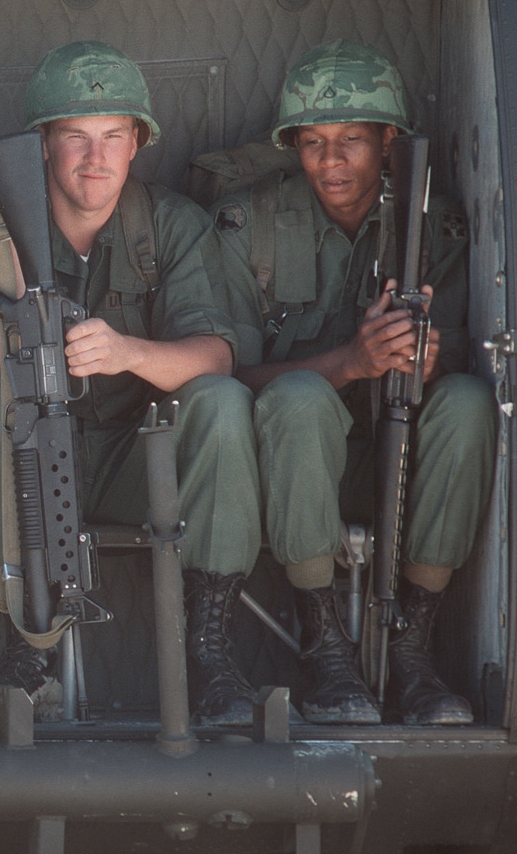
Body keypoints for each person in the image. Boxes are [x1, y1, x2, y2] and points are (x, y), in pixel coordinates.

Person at [0, 41, 260, 726]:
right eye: (75, 138)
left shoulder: (167, 223)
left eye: (113, 137)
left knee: (223, 404)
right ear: (41, 145)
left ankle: (211, 651)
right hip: (33, 453)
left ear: (137, 145)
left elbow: (216, 357)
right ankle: (26, 651)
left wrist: (125, 351)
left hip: (137, 461)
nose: (95, 159)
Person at [210, 40, 497, 725]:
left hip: (400, 457)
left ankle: (412, 650)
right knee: (301, 396)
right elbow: (223, 374)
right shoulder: (248, 228)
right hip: (280, 467)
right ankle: (325, 644)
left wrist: (427, 360)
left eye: (352, 142)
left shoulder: (439, 228)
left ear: (389, 142)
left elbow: (461, 354)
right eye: (312, 141)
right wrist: (350, 362)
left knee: (468, 403)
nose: (330, 161)